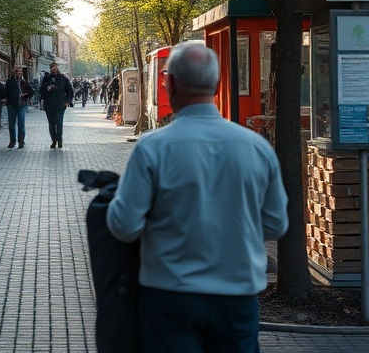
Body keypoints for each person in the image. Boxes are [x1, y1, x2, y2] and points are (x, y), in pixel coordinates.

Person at [106, 42, 288, 352]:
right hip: (237, 296)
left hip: (169, 296)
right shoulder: (257, 148)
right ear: (216, 86)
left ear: (170, 84)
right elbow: (276, 224)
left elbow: (124, 226)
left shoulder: (152, 148)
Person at [40, 61, 74, 149]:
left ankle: (60, 140)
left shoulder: (63, 78)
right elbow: (41, 91)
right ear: (50, 69)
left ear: (58, 68)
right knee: (51, 124)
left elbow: (69, 91)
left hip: (60, 105)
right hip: (49, 104)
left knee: (59, 123)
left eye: (55, 67)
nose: (54, 69)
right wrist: (47, 88)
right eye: (52, 67)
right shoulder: (46, 78)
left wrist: (67, 102)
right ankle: (53, 141)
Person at [4, 66, 32, 148]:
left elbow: (31, 92)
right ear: (14, 73)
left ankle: (21, 141)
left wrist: (26, 95)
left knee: (21, 123)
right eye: (16, 72)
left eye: (19, 72)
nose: (18, 73)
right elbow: (5, 92)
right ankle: (12, 141)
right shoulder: (9, 82)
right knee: (11, 125)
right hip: (12, 106)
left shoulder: (24, 82)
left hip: (22, 105)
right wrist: (7, 101)